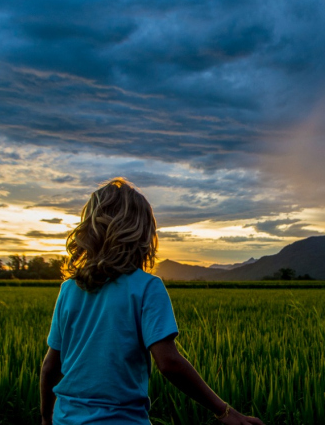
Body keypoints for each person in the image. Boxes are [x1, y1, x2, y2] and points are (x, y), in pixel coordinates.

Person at [40, 177, 265, 425]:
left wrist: (46, 417)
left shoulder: (70, 288)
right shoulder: (147, 287)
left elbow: (51, 365)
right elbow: (168, 363)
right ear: (143, 233)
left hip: (65, 419)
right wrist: (225, 411)